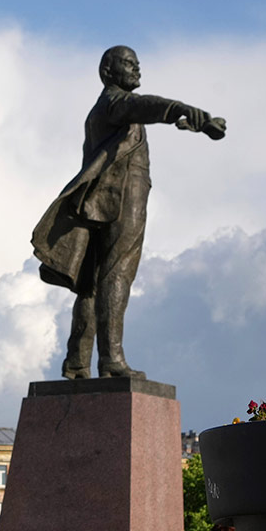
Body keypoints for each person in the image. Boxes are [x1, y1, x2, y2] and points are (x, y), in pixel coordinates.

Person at [31, 45, 225, 379]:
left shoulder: (111, 109)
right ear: (108, 71)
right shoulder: (112, 102)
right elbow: (140, 106)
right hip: (121, 199)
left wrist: (192, 120)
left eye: (138, 63)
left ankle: (78, 363)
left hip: (101, 203)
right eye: (128, 64)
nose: (136, 69)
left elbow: (140, 112)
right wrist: (177, 107)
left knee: (92, 283)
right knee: (117, 273)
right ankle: (112, 361)